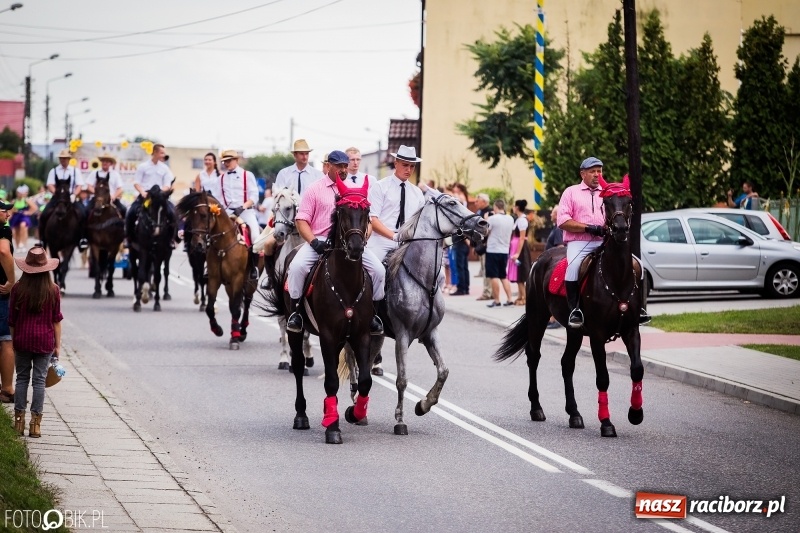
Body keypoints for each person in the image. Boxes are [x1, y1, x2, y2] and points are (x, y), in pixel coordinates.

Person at [285, 150, 385, 335]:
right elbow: (301, 220)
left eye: (345, 165)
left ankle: (373, 316)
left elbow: (368, 221)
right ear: (328, 165)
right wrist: (314, 242)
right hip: (320, 240)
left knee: (379, 270)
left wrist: (363, 238)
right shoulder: (314, 189)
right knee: (297, 267)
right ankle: (296, 313)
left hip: (350, 242)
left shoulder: (355, 190)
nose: (343, 169)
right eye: (339, 165)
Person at [558, 157, 650, 327]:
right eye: (592, 171)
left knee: (639, 266)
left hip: (606, 241)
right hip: (580, 243)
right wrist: (588, 228)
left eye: (599, 171)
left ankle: (640, 309)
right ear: (582, 173)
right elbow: (563, 220)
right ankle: (575, 309)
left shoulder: (608, 193)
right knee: (573, 267)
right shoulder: (571, 192)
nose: (596, 174)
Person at [366, 145, 430, 376]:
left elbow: (420, 222)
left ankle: (426, 321)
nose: (409, 169)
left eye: (412, 166)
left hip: (407, 243)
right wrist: (394, 236)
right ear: (396, 164)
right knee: (375, 271)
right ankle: (371, 315)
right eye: (405, 165)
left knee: (430, 274)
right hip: (382, 240)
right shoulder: (380, 187)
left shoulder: (416, 193)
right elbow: (373, 219)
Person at [10, 246, 62, 438]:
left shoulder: (17, 289)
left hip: (22, 339)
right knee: (39, 381)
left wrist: (14, 340)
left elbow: (12, 320)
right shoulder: (53, 290)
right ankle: (35, 425)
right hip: (44, 341)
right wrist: (57, 346)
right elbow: (56, 321)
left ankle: (18, 422)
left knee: (22, 378)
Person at [218, 150, 261, 280]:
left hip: (245, 211)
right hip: (227, 212)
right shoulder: (221, 178)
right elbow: (218, 198)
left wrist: (242, 207)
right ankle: (209, 266)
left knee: (256, 236)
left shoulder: (247, 175)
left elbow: (254, 196)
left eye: (229, 160)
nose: (226, 163)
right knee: (212, 234)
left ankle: (253, 267)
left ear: (236, 160)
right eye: (224, 161)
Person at [126, 143, 176, 244]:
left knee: (173, 213)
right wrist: (142, 192)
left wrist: (162, 192)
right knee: (130, 213)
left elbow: (168, 184)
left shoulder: (165, 168)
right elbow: (136, 182)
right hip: (145, 197)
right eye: (162, 153)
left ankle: (172, 239)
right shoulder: (143, 166)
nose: (163, 155)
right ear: (155, 152)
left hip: (160, 198)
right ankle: (129, 238)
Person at [41, 149, 88, 250]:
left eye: (65, 158)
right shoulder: (54, 171)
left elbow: (79, 185)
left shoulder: (75, 171)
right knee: (44, 214)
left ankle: (82, 238)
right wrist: (56, 193)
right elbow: (50, 184)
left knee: (83, 213)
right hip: (57, 197)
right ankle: (42, 240)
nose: (63, 160)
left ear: (69, 159)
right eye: (62, 158)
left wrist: (74, 194)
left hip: (71, 197)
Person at [484, 199, 515, 307]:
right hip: (504, 250)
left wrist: (486, 219)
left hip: (493, 250)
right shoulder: (510, 219)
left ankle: (497, 300)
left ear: (496, 207)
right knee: (503, 276)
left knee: (494, 276)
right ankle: (510, 299)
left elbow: (485, 231)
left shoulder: (492, 219)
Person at [0, 200, 15, 404]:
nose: (8, 215)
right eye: (4, 211)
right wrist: (11, 280)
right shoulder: (3, 231)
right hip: (1, 292)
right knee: (5, 341)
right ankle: (8, 389)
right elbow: (3, 251)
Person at [545, 204, 565, 329]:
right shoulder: (556, 227)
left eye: (552, 212)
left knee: (552, 290)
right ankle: (551, 318)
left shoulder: (558, 228)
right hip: (551, 263)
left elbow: (560, 248)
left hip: (554, 264)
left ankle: (555, 319)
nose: (550, 214)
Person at [508, 199, 531, 305]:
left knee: (521, 273)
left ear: (517, 207)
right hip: (516, 246)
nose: (513, 208)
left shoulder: (522, 220)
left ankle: (525, 298)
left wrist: (517, 253)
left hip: (520, 248)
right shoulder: (519, 219)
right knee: (517, 274)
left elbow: (522, 238)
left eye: (514, 206)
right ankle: (520, 296)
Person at [450, 183, 471, 295]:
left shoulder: (460, 199)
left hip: (460, 238)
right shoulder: (464, 198)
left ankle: (461, 288)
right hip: (464, 238)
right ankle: (466, 287)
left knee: (460, 265)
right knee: (464, 266)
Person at [472, 193, 493, 301]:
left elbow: (488, 231)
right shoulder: (479, 212)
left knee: (486, 271)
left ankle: (487, 292)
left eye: (478, 201)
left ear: (484, 202)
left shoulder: (490, 213)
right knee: (485, 270)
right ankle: (489, 291)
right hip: (480, 245)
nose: (476, 203)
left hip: (486, 246)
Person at [10, 185, 37, 252]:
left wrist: (29, 212)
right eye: (18, 193)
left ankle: (23, 244)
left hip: (24, 217)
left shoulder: (26, 200)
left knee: (23, 226)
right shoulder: (14, 201)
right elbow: (10, 209)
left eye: (20, 193)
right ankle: (18, 246)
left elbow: (34, 207)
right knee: (16, 231)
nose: (19, 194)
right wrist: (13, 211)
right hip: (16, 217)